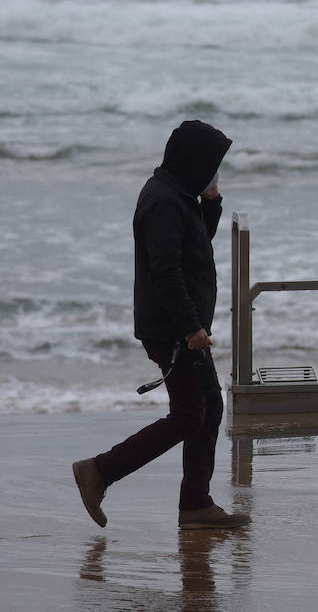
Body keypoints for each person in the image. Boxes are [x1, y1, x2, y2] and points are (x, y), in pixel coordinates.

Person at [72, 120, 250, 530]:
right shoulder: (164, 202)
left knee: (207, 407)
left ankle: (196, 505)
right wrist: (190, 329)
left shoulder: (178, 194)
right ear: (192, 160)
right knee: (191, 414)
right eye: (210, 164)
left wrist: (211, 203)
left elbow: (196, 248)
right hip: (173, 331)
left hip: (179, 328)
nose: (214, 172)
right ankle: (99, 471)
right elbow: (166, 272)